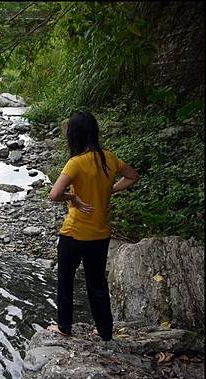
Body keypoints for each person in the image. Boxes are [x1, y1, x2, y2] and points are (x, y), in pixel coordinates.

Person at [47, 111, 140, 341]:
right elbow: (132, 176)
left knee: (66, 281)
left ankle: (64, 327)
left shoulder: (76, 163)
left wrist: (73, 198)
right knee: (97, 285)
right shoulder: (108, 157)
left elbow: (54, 194)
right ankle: (105, 330)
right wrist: (110, 189)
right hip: (100, 234)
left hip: (74, 233)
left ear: (74, 135)